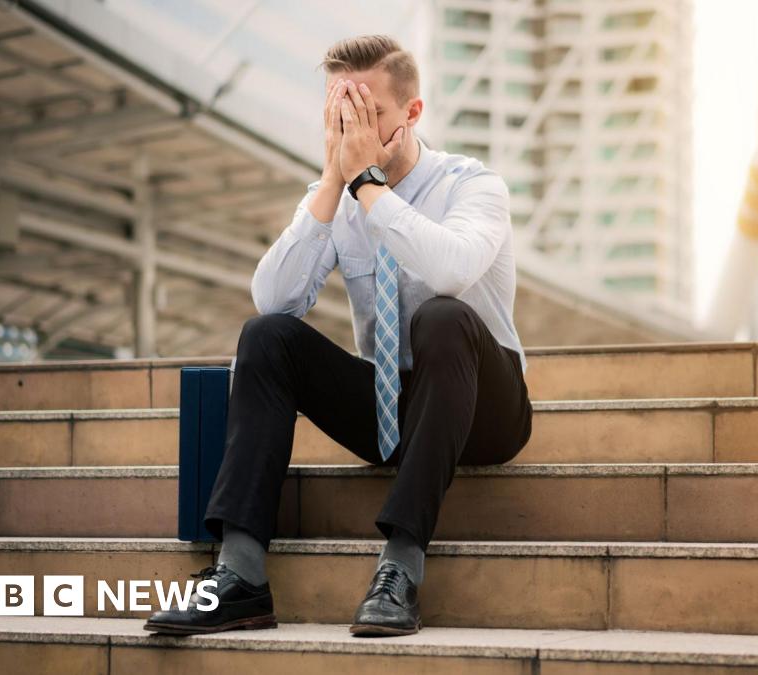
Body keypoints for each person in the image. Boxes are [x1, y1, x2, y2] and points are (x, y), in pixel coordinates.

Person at [143, 34, 532, 638]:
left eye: (368, 112)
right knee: (267, 336)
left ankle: (400, 569)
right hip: (388, 414)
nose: (354, 128)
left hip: (484, 408)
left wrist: (371, 189)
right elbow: (274, 299)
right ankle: (240, 575)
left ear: (412, 113)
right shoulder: (338, 193)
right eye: (339, 113)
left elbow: (451, 271)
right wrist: (334, 181)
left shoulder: (473, 186)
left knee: (443, 316)